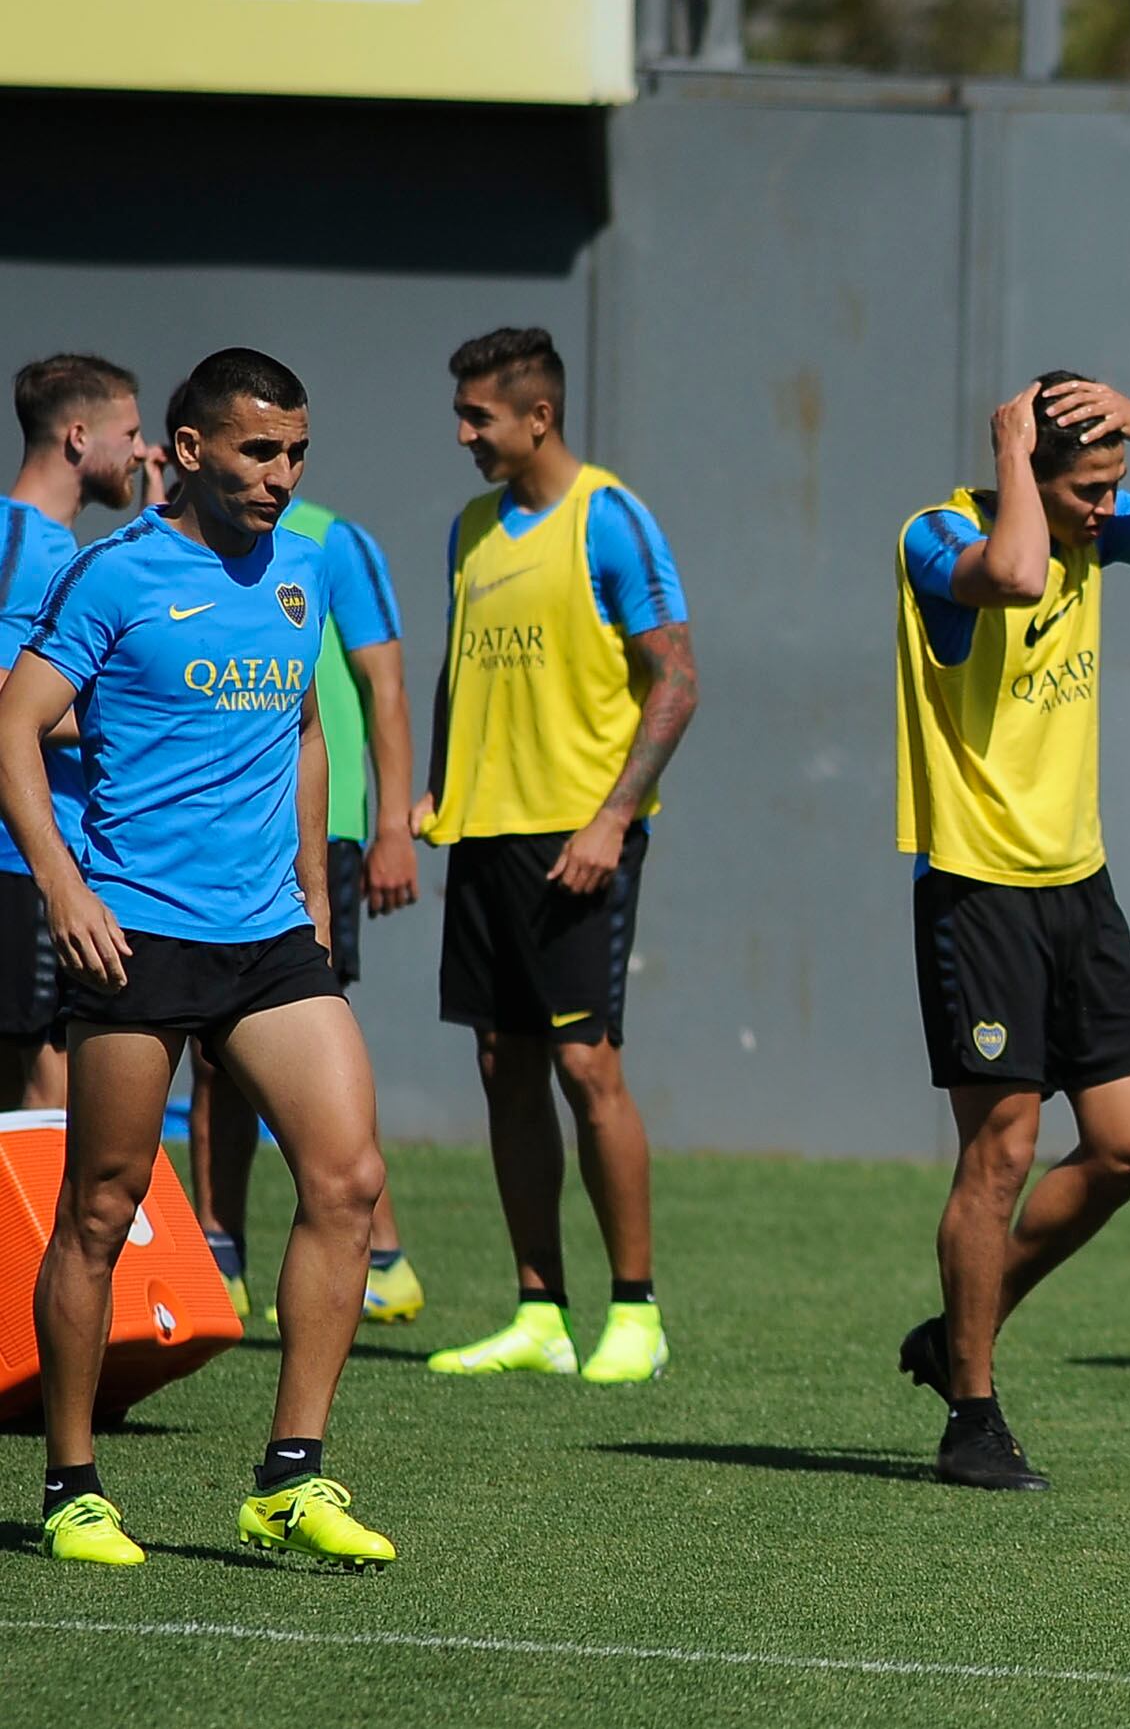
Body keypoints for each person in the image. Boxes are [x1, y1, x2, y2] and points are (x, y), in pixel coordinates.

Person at [6, 348, 397, 1569]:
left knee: (347, 1181)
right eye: (257, 452)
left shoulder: (307, 566)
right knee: (102, 1212)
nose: (282, 477)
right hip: (138, 932)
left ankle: (290, 1477)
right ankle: (74, 1484)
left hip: (268, 933)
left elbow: (300, 730)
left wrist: (318, 901)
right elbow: (13, 729)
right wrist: (65, 890)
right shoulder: (113, 573)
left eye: (296, 454)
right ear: (186, 451)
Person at [892, 373, 1130, 1489]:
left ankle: (958, 1321)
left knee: (1128, 1146)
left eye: (1117, 488)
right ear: (1030, 472)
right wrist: (1012, 457)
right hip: (977, 887)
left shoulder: (1091, 538)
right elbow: (1008, 574)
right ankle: (972, 1409)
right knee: (999, 1151)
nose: (1107, 508)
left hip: (1078, 883)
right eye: (1089, 488)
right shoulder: (942, 533)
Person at [419, 327, 699, 1385]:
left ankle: (636, 1312)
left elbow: (675, 681)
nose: (463, 435)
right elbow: (458, 670)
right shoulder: (471, 529)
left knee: (588, 1067)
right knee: (504, 1063)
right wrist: (440, 783)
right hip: (486, 835)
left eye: (477, 417)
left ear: (538, 416)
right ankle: (538, 1308)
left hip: (578, 835)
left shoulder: (610, 519)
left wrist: (611, 820)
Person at [190, 496, 427, 1326]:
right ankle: (221, 1256)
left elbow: (384, 685)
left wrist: (393, 824)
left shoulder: (331, 542)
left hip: (320, 832)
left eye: (285, 448)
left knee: (311, 1038)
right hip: (204, 840)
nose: (277, 468)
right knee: (212, 1053)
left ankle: (380, 1252)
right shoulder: (156, 551)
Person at [1, 354, 145, 1111]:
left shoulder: (66, 549)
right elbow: (6, 702)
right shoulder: (33, 547)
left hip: (50, 859)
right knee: (48, 1079)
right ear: (80, 437)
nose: (142, 452)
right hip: (24, 859)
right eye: (131, 433)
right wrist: (140, 717)